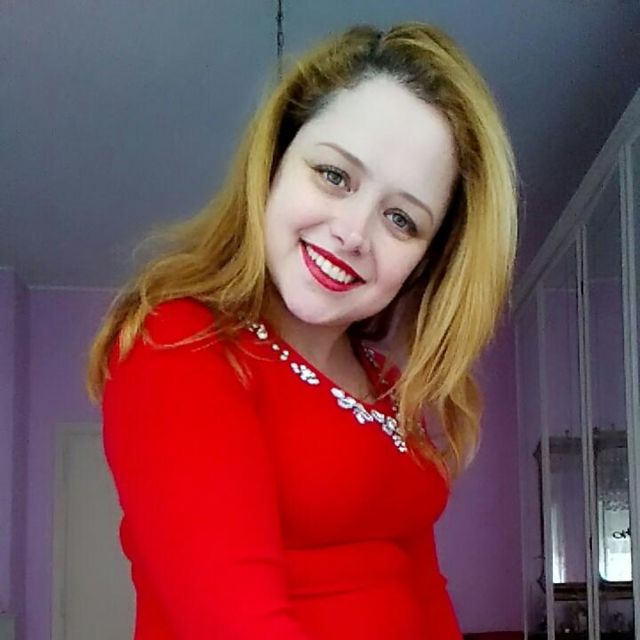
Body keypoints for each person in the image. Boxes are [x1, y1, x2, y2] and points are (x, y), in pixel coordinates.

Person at [86, 21, 518, 640]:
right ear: (274, 164)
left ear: (426, 260)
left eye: (401, 219)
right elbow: (235, 626)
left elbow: (424, 589)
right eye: (335, 176)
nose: (353, 232)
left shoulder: (387, 386)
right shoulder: (180, 341)